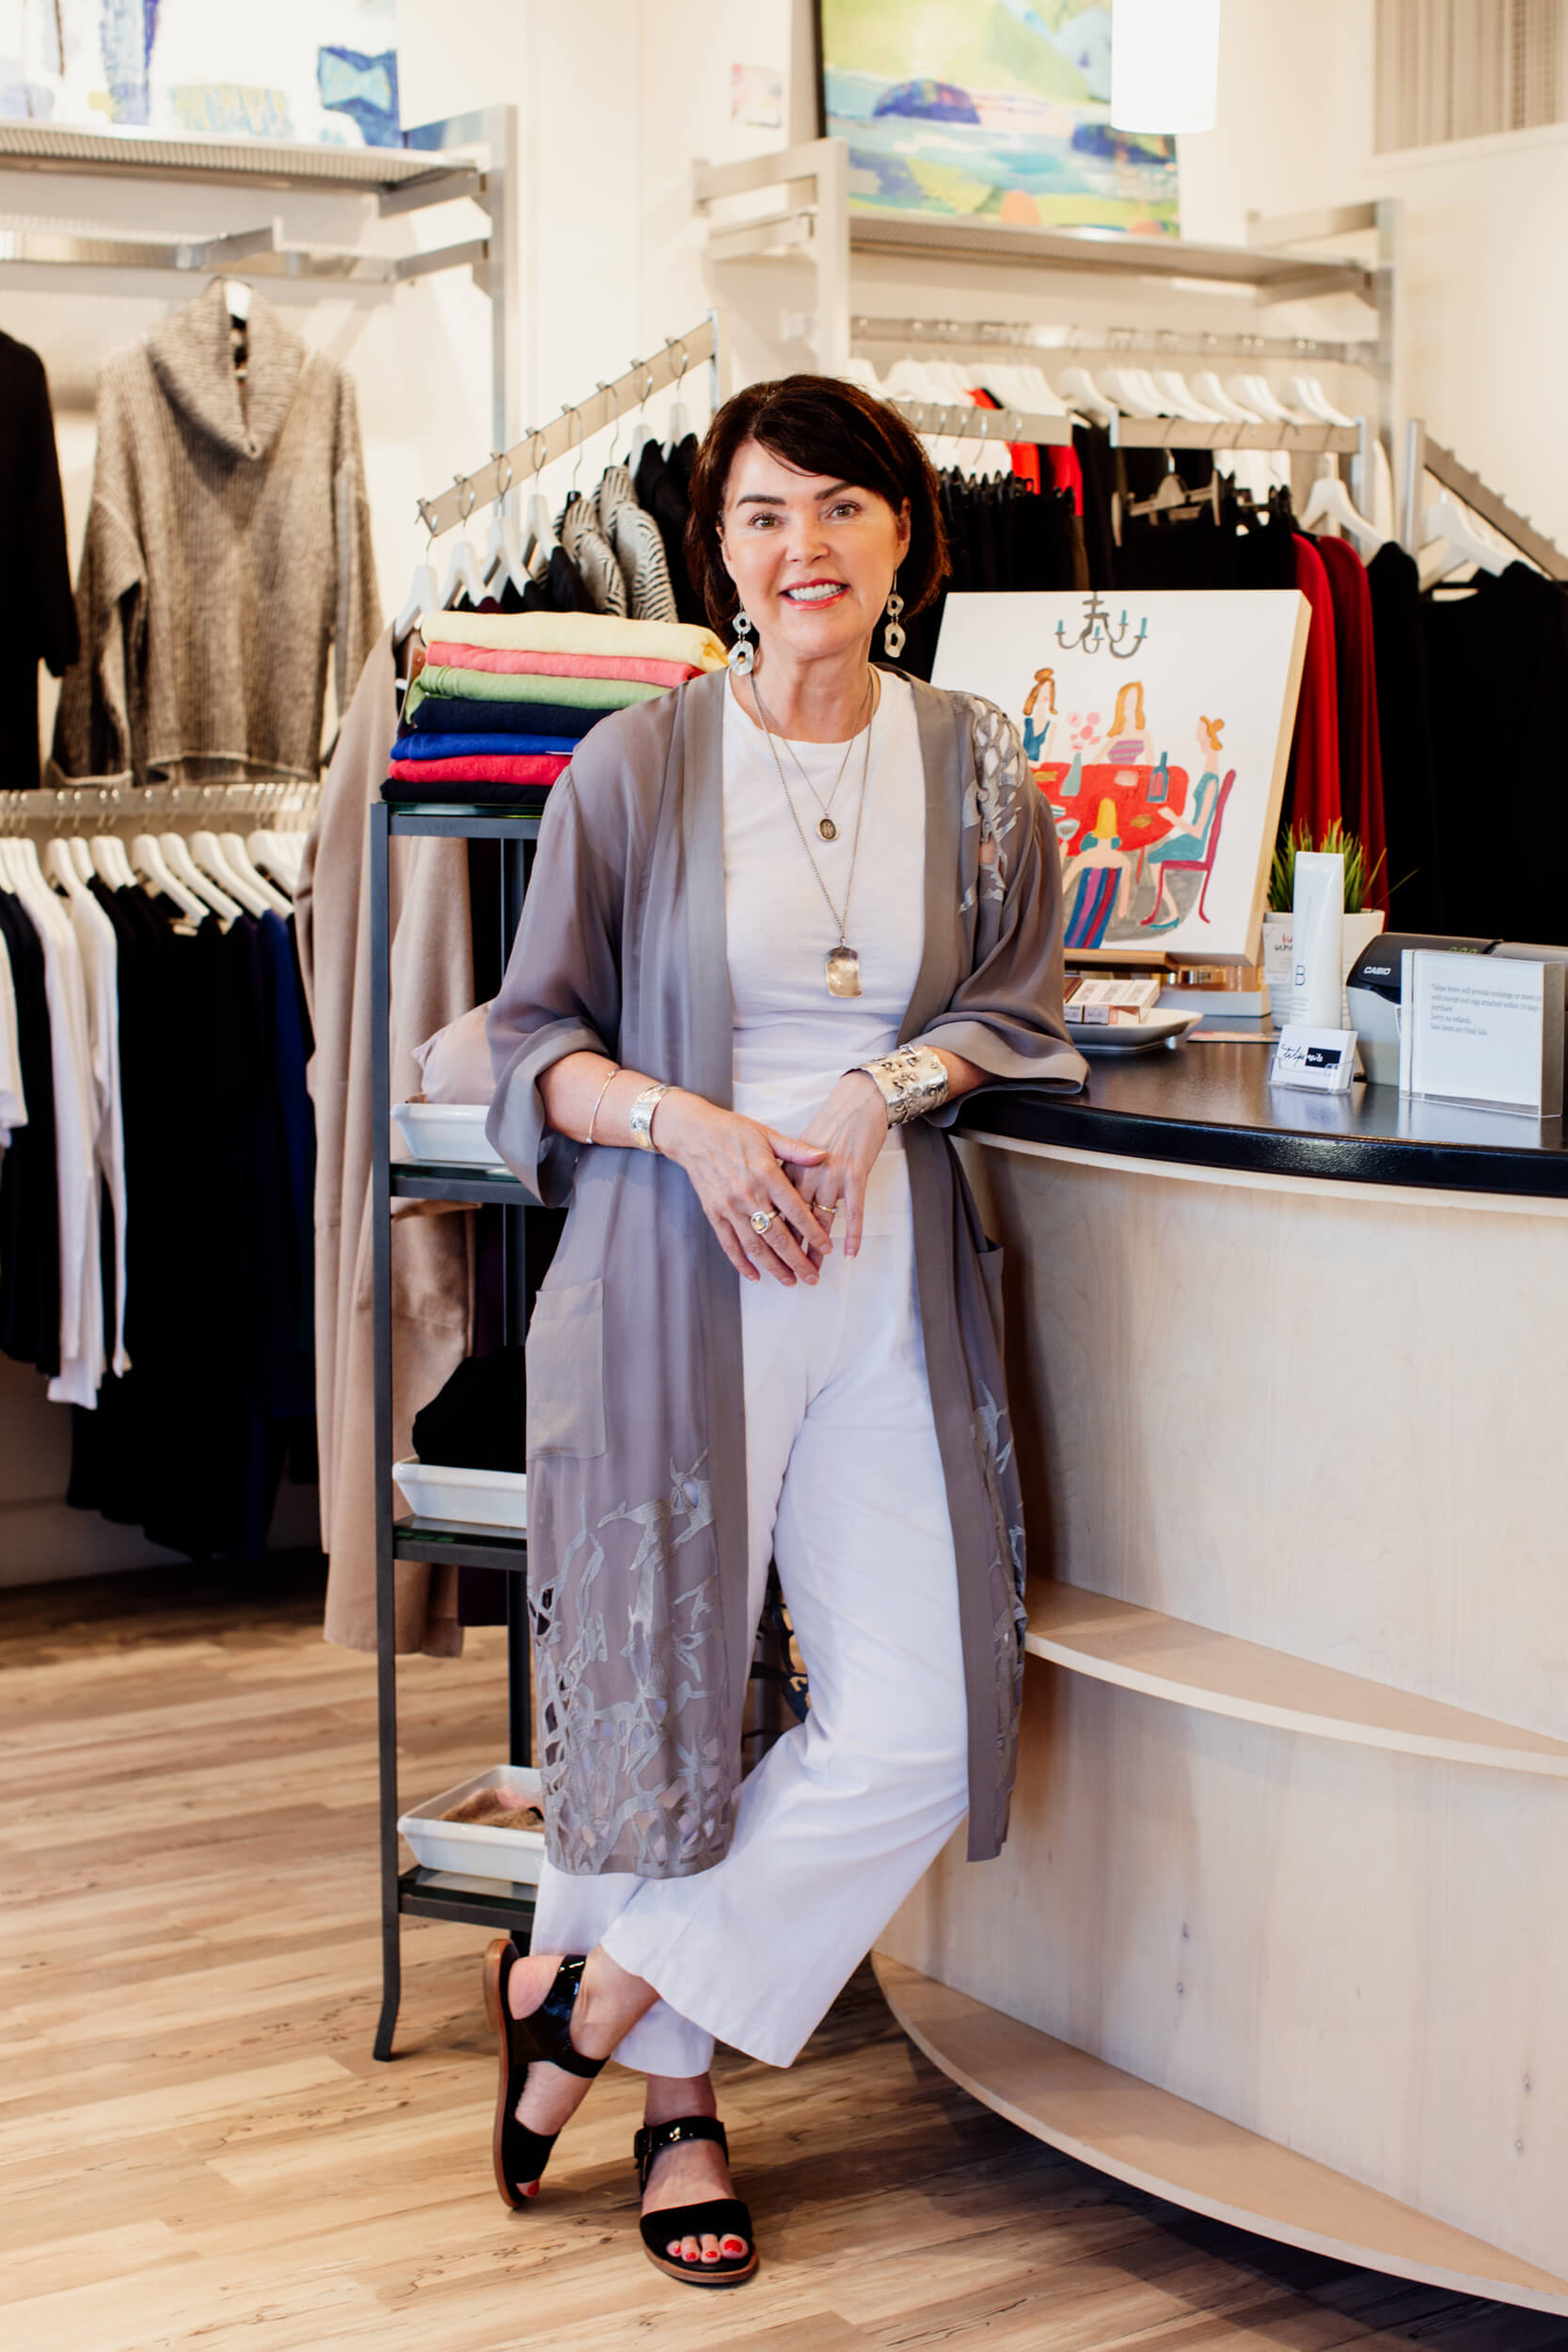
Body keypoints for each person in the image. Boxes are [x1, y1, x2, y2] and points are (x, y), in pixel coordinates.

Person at [483, 374, 1085, 2289]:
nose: (800, 546)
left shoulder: (977, 760)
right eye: (760, 514)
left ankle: (596, 1988)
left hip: (888, 1270)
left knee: (916, 1708)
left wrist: (880, 1087)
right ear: (716, 549)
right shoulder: (636, 767)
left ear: (907, 532)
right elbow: (527, 1047)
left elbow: (1022, 1004)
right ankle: (675, 2109)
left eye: (839, 506)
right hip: (678, 1269)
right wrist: (692, 1117)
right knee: (658, 1692)